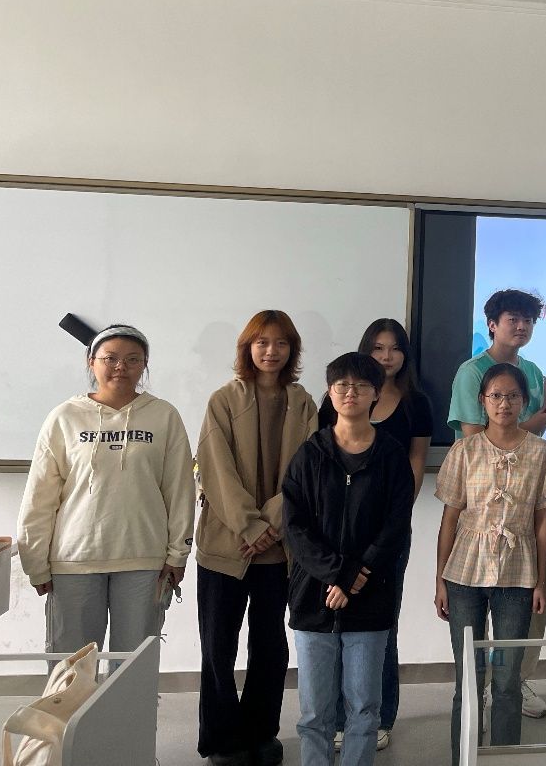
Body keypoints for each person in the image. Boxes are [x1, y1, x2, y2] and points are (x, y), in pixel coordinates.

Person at [17, 324, 194, 672]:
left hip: (143, 558)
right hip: (75, 559)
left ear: (144, 365)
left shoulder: (164, 416)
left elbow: (179, 489)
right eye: (110, 358)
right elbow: (40, 495)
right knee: (71, 671)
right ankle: (74, 714)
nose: (120, 367)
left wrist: (179, 552)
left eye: (132, 359)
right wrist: (34, 561)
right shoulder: (65, 416)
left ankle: (129, 714)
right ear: (91, 362)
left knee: (133, 669)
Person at [194, 310, 318, 766]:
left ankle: (261, 732)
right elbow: (215, 470)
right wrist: (251, 526)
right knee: (218, 648)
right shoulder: (223, 400)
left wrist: (270, 526)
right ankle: (223, 741)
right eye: (262, 342)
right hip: (225, 546)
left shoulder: (303, 403)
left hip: (278, 551)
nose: (271, 351)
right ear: (247, 347)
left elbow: (306, 472)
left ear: (292, 350)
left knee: (270, 648)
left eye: (281, 343)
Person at [283, 352, 414, 766]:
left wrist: (357, 576)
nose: (350, 392)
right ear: (330, 391)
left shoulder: (391, 455)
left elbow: (396, 524)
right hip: (315, 596)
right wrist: (340, 575)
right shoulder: (310, 454)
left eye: (361, 385)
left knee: (364, 709)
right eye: (342, 385)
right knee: (315, 713)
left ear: (376, 393)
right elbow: (295, 527)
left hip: (371, 595)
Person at [434, 363, 546, 764]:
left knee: (508, 680)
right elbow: (450, 519)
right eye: (495, 396)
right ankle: (464, 757)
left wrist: (541, 581)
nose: (503, 403)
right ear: (482, 400)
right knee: (468, 678)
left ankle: (505, 758)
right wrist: (440, 581)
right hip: (463, 576)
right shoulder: (464, 451)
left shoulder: (542, 453)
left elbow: (542, 523)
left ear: (525, 402)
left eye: (512, 396)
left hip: (517, 577)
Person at [447, 288, 546, 718]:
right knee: (473, 631)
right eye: (512, 318)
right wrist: (538, 419)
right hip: (480, 510)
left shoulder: (532, 371)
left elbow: (529, 442)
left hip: (521, 506)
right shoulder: (471, 372)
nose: (521, 326)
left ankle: (515, 682)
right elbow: (481, 439)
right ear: (492, 324)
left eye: (528, 320)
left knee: (528, 615)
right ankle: (479, 695)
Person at [320, 318, 433, 752]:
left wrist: (396, 517)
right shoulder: (336, 399)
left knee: (383, 621)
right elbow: (323, 463)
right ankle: (338, 716)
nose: (387, 356)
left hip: (389, 532)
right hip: (338, 531)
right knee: (336, 620)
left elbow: (417, 462)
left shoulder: (416, 402)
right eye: (378, 348)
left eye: (395, 348)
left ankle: (381, 715)